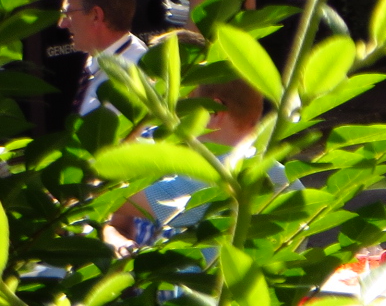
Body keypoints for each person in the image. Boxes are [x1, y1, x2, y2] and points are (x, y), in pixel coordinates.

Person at [103, 64, 285, 253]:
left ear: (213, 112)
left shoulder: (216, 175)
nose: (175, 118)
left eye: (184, 106)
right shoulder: (282, 174)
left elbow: (108, 197)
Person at [61, 0, 147, 118]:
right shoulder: (104, 58)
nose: (62, 24)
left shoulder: (128, 78)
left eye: (68, 13)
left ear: (96, 16)